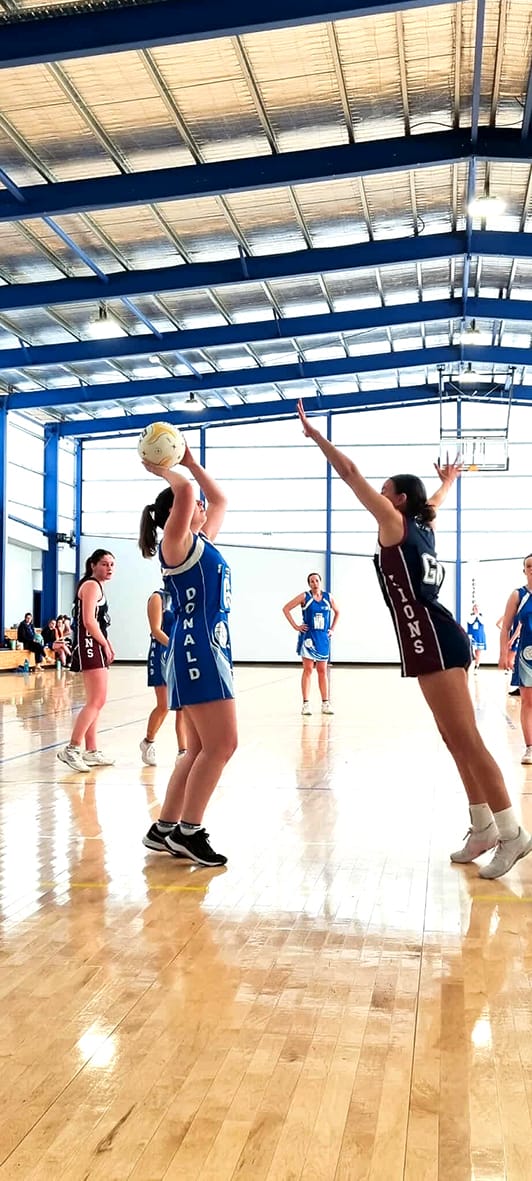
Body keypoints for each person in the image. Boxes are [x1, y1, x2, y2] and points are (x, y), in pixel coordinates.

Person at [296, 399, 532, 880]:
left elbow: (350, 473)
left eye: (385, 492)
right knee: (453, 739)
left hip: (435, 639)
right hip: (431, 640)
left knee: (466, 738)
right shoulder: (422, 525)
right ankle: (482, 824)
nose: (378, 495)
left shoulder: (397, 524)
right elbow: (436, 502)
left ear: (398, 500)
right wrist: (449, 482)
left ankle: (513, 833)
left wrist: (316, 436)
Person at [138, 443, 236, 867]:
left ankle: (165, 828)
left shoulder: (200, 543)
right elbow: (185, 494)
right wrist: (165, 470)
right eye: (193, 504)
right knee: (223, 745)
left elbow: (220, 499)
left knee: (197, 750)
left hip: (198, 648)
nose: (201, 505)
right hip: (198, 649)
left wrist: (191, 462)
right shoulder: (175, 543)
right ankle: (190, 832)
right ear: (178, 513)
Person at [57, 549, 115, 772]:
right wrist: (106, 644)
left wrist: (107, 642)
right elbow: (89, 621)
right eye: (104, 564)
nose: (109, 568)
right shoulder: (91, 585)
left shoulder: (97, 586)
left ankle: (91, 751)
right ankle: (72, 748)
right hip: (90, 645)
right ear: (92, 565)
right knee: (96, 701)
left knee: (96, 701)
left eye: (111, 564)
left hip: (95, 645)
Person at [140, 588, 187, 766]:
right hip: (162, 652)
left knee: (183, 706)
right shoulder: (158, 597)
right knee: (164, 704)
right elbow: (155, 630)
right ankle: (148, 742)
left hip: (180, 654)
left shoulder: (185, 597)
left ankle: (183, 751)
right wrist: (175, 647)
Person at [282, 573, 339, 714]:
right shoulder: (305, 597)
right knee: (308, 670)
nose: (315, 583)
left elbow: (338, 612)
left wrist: (332, 629)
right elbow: (286, 608)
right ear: (309, 584)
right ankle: (306, 704)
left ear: (320, 581)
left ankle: (325, 703)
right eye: (312, 581)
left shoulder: (328, 597)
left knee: (322, 670)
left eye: (316, 580)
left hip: (323, 639)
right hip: (308, 638)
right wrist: (296, 626)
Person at [499, 554, 532, 764]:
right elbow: (506, 626)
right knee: (528, 702)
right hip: (527, 656)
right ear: (524, 570)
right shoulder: (518, 595)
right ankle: (530, 748)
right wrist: (504, 653)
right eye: (529, 566)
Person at [496, 613, 521, 696]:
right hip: (513, 638)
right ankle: (521, 684)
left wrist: (512, 639)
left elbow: (519, 627)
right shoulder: (511, 613)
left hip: (517, 638)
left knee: (511, 662)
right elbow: (498, 624)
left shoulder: (522, 612)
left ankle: (522, 684)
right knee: (510, 662)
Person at [466, 603, 486, 671]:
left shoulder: (481, 616)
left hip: (479, 636)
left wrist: (478, 615)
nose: (476, 609)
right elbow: (470, 622)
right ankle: (469, 666)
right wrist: (475, 615)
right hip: (472, 636)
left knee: (478, 652)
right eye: (475, 608)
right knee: (470, 651)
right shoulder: (470, 616)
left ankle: (476, 666)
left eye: (477, 608)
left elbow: (482, 622)